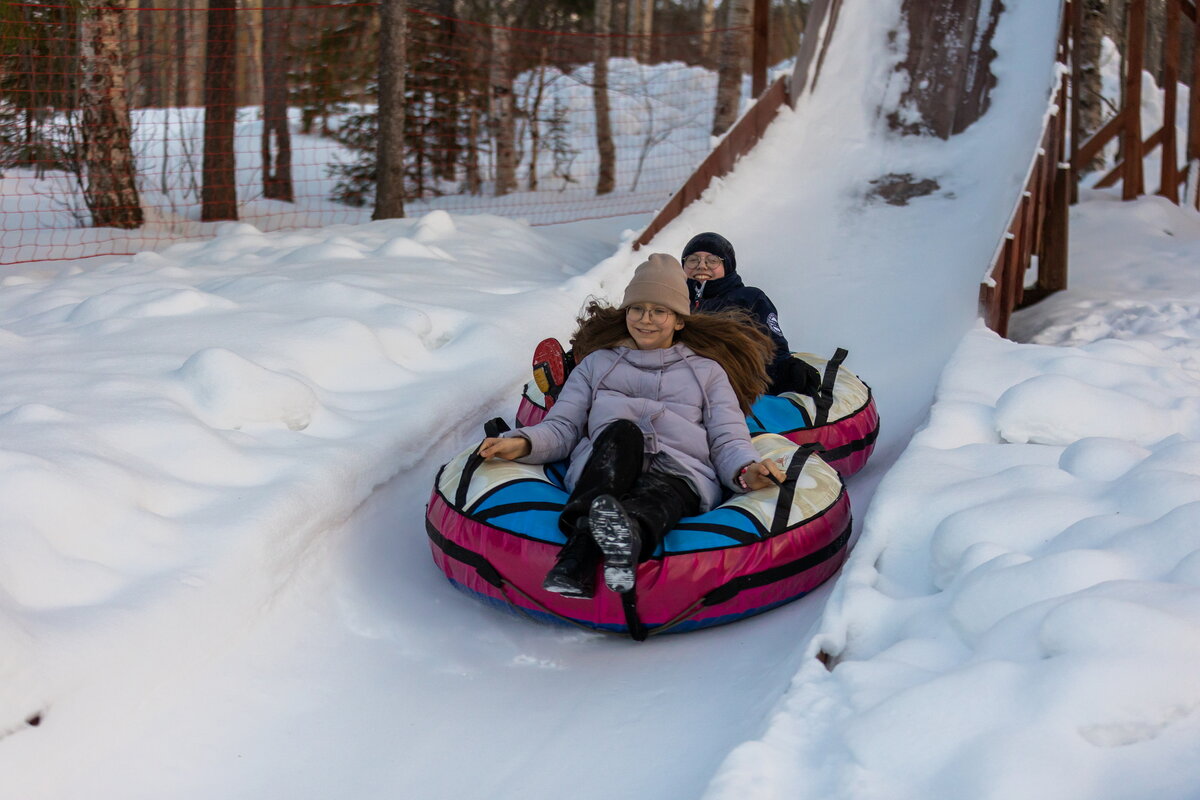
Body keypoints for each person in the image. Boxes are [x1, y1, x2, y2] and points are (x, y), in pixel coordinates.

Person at [480, 254, 786, 599]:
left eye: (659, 311)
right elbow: (563, 425)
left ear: (679, 320)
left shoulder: (707, 372)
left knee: (664, 493)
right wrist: (521, 443)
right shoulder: (598, 364)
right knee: (623, 431)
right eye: (637, 309)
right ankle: (579, 555)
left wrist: (746, 472)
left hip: (681, 471)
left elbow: (727, 437)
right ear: (626, 313)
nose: (646, 319)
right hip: (606, 464)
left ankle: (627, 541)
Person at [681, 231, 820, 396]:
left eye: (712, 260)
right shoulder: (673, 299)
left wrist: (785, 371)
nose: (702, 266)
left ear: (728, 266)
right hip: (681, 384)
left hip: (732, 387)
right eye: (693, 260)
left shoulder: (748, 298)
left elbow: (774, 348)